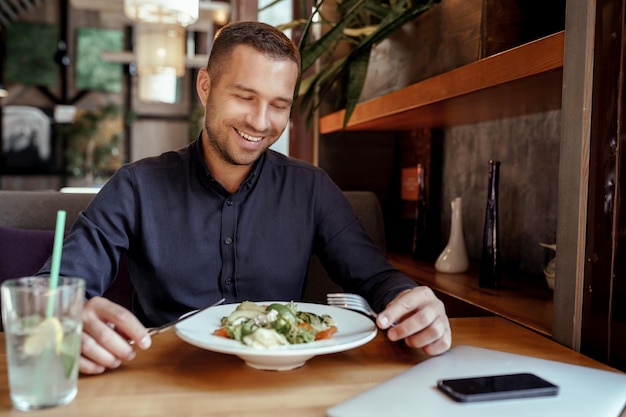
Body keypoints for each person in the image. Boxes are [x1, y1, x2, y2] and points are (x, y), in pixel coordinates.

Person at [39, 21, 451, 375]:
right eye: (244, 96)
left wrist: (412, 304)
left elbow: (376, 278)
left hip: (285, 382)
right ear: (206, 86)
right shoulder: (136, 185)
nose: (260, 121)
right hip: (166, 377)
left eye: (278, 105)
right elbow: (54, 285)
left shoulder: (311, 188)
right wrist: (65, 314)